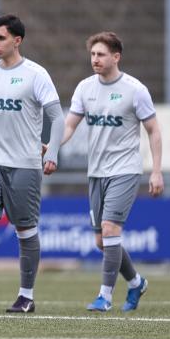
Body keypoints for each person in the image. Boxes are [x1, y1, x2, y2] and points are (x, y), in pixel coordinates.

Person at [0, 14, 64, 314]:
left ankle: (26, 296)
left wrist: (52, 152)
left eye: (1, 37)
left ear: (17, 40)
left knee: (25, 227)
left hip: (24, 164)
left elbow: (57, 117)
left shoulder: (36, 74)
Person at [62, 32, 162, 312]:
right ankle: (136, 282)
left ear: (116, 57)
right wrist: (51, 148)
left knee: (110, 229)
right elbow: (69, 125)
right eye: (93, 54)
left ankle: (104, 296)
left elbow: (153, 130)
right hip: (96, 172)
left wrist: (156, 171)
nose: (95, 59)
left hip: (125, 170)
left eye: (101, 54)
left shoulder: (135, 89)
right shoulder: (85, 88)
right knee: (101, 241)